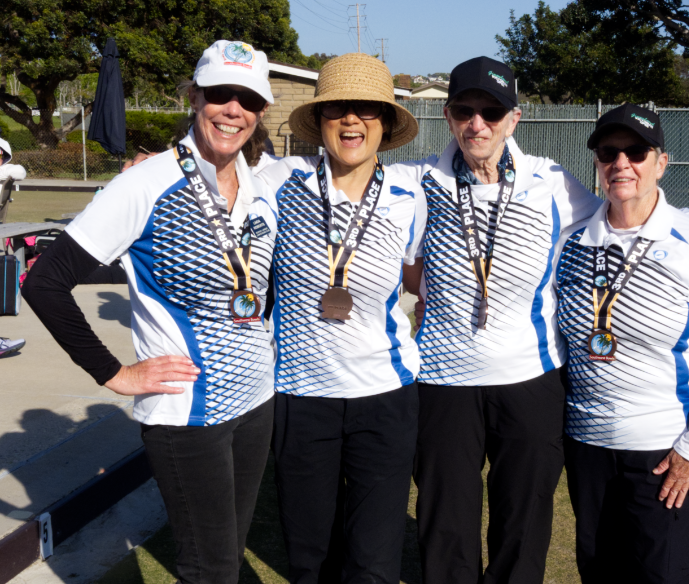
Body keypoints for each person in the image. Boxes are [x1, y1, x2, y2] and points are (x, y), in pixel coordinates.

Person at [397, 57, 689, 584]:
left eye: (491, 110)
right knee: (446, 525)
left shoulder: (550, 181)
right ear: (448, 114)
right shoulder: (417, 181)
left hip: (532, 382)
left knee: (523, 525)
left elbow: (625, 209)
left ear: (514, 118)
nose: (477, 123)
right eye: (465, 110)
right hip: (444, 381)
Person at [23, 40, 278, 584]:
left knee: (228, 557)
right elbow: (44, 283)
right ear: (194, 96)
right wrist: (115, 373)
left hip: (256, 403)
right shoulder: (144, 184)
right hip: (189, 416)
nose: (234, 109)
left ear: (261, 113)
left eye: (248, 99)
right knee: (208, 569)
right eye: (220, 93)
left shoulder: (260, 185)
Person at [251, 53, 425, 584]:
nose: (352, 121)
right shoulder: (278, 180)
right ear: (320, 121)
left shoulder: (414, 194)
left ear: (387, 123)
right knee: (310, 557)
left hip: (385, 398)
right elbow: (214, 175)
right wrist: (158, 162)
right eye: (338, 110)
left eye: (367, 110)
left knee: (373, 561)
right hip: (301, 399)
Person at [553, 104, 689, 583]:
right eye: (608, 152)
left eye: (636, 151)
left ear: (661, 162)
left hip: (662, 448)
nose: (622, 164)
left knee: (660, 574)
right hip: (587, 444)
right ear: (596, 161)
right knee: (598, 570)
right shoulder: (571, 238)